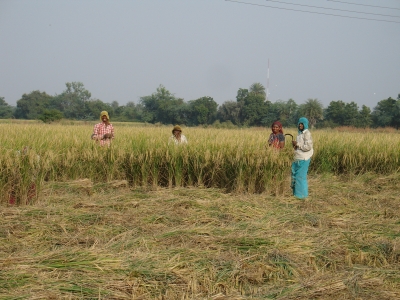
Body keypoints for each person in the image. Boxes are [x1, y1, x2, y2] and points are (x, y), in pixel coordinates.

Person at [291, 117, 313, 199]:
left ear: (305, 125)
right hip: (298, 157)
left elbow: (308, 147)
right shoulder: (300, 133)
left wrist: (297, 145)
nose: (300, 125)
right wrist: (295, 145)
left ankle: (302, 195)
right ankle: (297, 194)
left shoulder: (307, 133)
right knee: (296, 176)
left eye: (302, 124)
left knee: (301, 176)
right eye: (299, 123)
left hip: (304, 158)